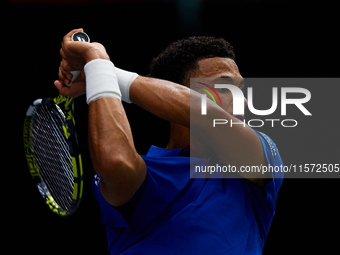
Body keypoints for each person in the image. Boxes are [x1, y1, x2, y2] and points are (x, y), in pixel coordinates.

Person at [55, 29, 283, 255]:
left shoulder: (255, 168)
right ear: (172, 93)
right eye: (224, 87)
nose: (243, 101)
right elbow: (116, 162)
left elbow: (206, 116)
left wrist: (101, 70)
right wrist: (96, 60)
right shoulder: (145, 173)